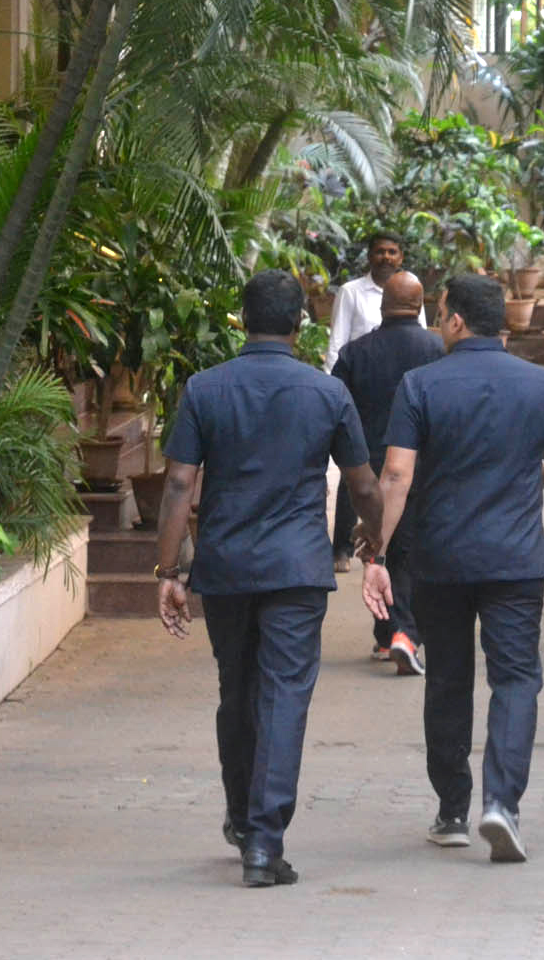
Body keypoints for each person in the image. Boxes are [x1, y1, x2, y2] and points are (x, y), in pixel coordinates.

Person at [155, 268, 384, 889]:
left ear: (243, 318)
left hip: (226, 566)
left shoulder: (205, 388)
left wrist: (169, 570)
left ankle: (240, 818)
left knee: (237, 691)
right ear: (299, 324)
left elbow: (178, 484)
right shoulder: (327, 393)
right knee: (283, 695)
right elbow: (364, 485)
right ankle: (263, 841)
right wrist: (376, 544)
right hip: (297, 570)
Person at [360, 274, 544, 864]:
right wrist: (521, 479)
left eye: (440, 315)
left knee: (449, 681)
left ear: (455, 320)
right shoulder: (542, 384)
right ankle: (501, 803)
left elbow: (396, 474)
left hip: (441, 560)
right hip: (516, 561)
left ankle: (452, 811)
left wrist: (376, 553)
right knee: (516, 679)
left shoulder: (421, 384)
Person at [331, 271, 444, 675]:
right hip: (424, 467)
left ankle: (387, 634)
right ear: (420, 305)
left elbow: (336, 410)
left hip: (369, 466)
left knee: (378, 546)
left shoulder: (354, 354)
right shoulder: (440, 350)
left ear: (382, 306)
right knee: (408, 550)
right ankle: (404, 634)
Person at [325, 231, 425, 576]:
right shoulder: (352, 292)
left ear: (401, 256)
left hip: (406, 391)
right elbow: (337, 344)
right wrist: (338, 399)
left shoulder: (411, 287)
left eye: (392, 252)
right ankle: (341, 546)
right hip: (363, 389)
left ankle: (394, 543)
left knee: (403, 472)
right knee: (356, 474)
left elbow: (418, 333)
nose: (386, 257)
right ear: (370, 256)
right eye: (380, 251)